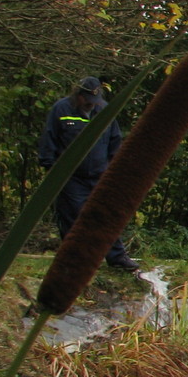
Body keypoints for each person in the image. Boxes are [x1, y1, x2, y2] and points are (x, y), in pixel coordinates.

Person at [37, 76, 140, 273]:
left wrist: (115, 169)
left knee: (106, 215)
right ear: (78, 96)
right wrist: (49, 166)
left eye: (94, 100)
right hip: (70, 176)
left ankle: (117, 257)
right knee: (74, 216)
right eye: (86, 100)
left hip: (100, 174)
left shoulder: (104, 110)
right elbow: (49, 138)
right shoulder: (61, 110)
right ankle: (74, 260)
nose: (90, 104)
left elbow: (115, 141)